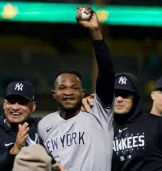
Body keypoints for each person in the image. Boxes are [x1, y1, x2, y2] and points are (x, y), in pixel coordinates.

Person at [38, 6, 115, 171]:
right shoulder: (45, 124)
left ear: (83, 93)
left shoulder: (98, 111)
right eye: (62, 88)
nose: (68, 92)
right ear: (54, 94)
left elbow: (107, 71)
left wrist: (95, 32)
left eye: (74, 88)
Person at [82, 72, 162, 171]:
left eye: (125, 94)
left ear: (135, 98)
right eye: (115, 94)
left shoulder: (160, 125)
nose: (119, 99)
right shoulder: (103, 130)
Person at [0, 81, 41, 171]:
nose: (15, 107)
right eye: (11, 102)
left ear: (33, 107)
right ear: (4, 104)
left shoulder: (42, 126)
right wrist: (15, 150)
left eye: (22, 103)